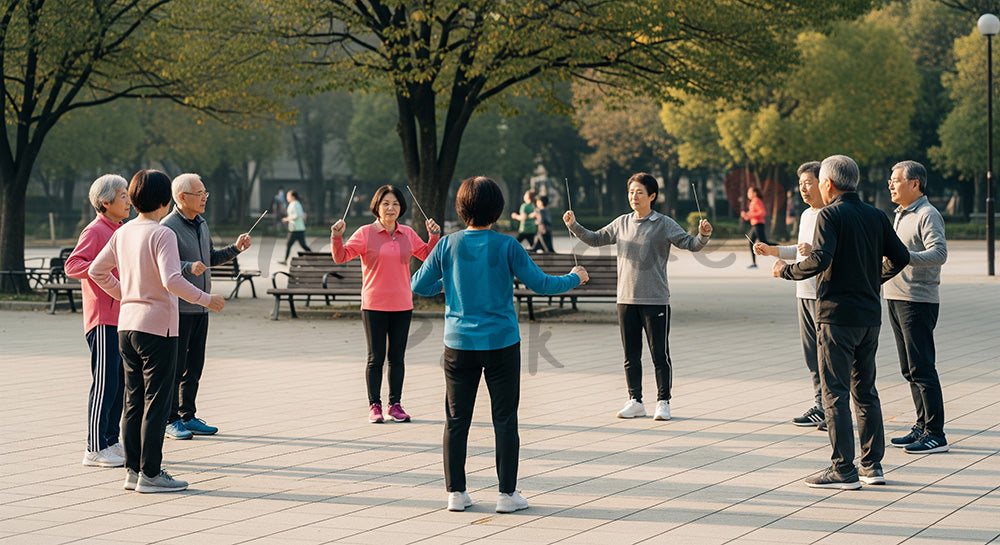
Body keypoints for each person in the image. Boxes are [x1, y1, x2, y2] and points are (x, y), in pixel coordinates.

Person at [412, 176, 587, 514]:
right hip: (502, 343)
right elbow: (541, 284)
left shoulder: (447, 245)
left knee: (456, 420)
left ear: (461, 208)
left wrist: (447, 282)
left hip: (458, 344)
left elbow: (418, 284)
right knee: (505, 419)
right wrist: (574, 277)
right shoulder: (508, 246)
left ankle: (456, 493)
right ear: (497, 208)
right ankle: (507, 495)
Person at [772, 155, 909, 489]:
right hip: (869, 316)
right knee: (866, 392)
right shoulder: (877, 216)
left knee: (835, 393)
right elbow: (901, 257)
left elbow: (820, 260)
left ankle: (843, 469)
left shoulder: (829, 215)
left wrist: (786, 271)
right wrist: (873, 278)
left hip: (836, 317)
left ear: (828, 184)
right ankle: (872, 466)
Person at [90, 169, 226, 493]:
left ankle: (133, 471)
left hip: (127, 327)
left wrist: (127, 294)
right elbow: (172, 280)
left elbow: (96, 270)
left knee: (133, 401)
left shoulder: (123, 232)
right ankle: (151, 474)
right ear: (166, 201)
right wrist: (206, 299)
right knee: (157, 403)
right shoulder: (162, 233)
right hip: (158, 329)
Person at [563, 172, 713, 421]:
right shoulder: (621, 222)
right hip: (626, 299)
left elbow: (691, 244)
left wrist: (703, 235)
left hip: (655, 299)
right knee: (630, 356)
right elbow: (596, 239)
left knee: (659, 355)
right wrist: (573, 225)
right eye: (631, 192)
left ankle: (663, 401)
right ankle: (635, 400)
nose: (634, 196)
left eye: (639, 192)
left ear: (652, 196)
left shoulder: (663, 223)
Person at [331, 185, 441, 424]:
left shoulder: (407, 233)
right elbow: (340, 257)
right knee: (375, 358)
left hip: (402, 304)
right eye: (386, 204)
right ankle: (375, 406)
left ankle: (395, 405)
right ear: (377, 207)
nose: (391, 208)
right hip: (374, 304)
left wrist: (434, 236)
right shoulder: (365, 233)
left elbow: (428, 256)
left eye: (395, 204)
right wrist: (337, 237)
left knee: (397, 358)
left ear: (401, 208)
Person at [161, 173, 251, 440]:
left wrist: (235, 248)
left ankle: (188, 415)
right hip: (179, 308)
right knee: (175, 367)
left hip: (201, 307)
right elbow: (163, 266)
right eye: (199, 194)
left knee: (194, 366)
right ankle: (170, 419)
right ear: (182, 197)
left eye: (205, 193)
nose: (204, 198)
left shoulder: (201, 223)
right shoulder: (167, 227)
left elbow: (209, 258)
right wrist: (188, 266)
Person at [65, 174, 132, 468]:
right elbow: (72, 265)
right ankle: (93, 447)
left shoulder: (121, 229)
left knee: (119, 383)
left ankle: (110, 440)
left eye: (128, 195)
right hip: (103, 319)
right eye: (122, 196)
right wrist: (102, 266)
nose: (128, 201)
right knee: (105, 383)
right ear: (105, 202)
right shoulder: (95, 230)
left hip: (123, 317)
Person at [754, 162, 826, 431]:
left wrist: (813, 249)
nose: (803, 189)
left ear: (824, 182)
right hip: (803, 292)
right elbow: (799, 250)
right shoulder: (807, 215)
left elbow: (825, 251)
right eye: (800, 184)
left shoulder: (831, 214)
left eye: (808, 182)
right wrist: (772, 250)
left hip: (823, 294)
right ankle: (820, 405)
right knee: (811, 356)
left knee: (827, 356)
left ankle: (833, 409)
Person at [884, 160, 950, 454]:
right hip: (896, 297)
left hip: (918, 300)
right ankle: (922, 425)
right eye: (890, 180)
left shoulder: (927, 214)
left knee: (922, 368)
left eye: (896, 180)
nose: (891, 184)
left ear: (915, 184)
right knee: (909, 369)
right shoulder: (900, 214)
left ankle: (935, 434)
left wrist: (905, 256)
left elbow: (939, 253)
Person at [741, 186, 770, 269]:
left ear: (755, 193)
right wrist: (746, 215)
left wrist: (749, 215)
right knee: (751, 242)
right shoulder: (753, 201)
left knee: (764, 242)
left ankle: (782, 248)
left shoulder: (756, 200)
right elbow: (751, 214)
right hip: (755, 225)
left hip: (758, 225)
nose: (748, 194)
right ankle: (754, 263)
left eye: (749, 192)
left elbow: (762, 212)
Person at [280, 190, 311, 263]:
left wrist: (287, 219)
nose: (287, 197)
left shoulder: (295, 204)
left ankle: (285, 260)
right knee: (302, 245)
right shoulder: (295, 204)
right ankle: (313, 256)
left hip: (296, 229)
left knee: (290, 244)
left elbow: (297, 215)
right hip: (297, 228)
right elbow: (302, 215)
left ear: (293, 197)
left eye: (288, 196)